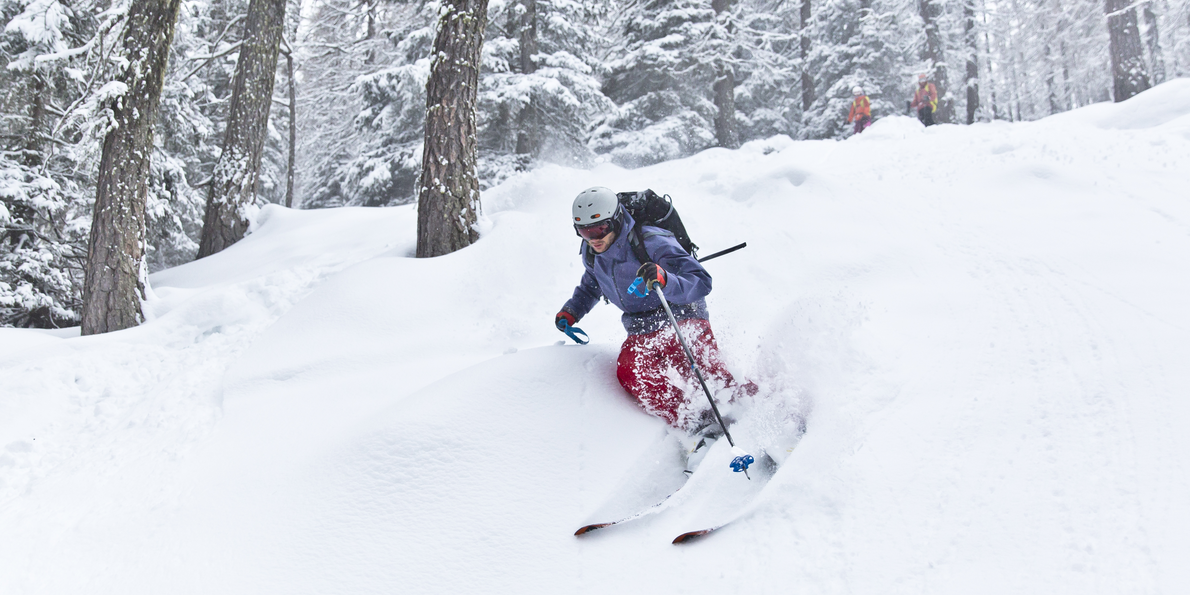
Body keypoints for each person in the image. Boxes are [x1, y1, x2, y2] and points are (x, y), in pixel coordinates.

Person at [555, 187, 752, 435]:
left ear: (615, 220)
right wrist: (572, 311)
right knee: (632, 372)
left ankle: (755, 408)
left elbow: (701, 281)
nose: (593, 237)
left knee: (706, 373)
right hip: (641, 326)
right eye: (583, 231)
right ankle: (696, 421)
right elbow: (593, 283)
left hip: (680, 314)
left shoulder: (652, 241)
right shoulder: (593, 253)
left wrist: (666, 280)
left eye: (600, 229)